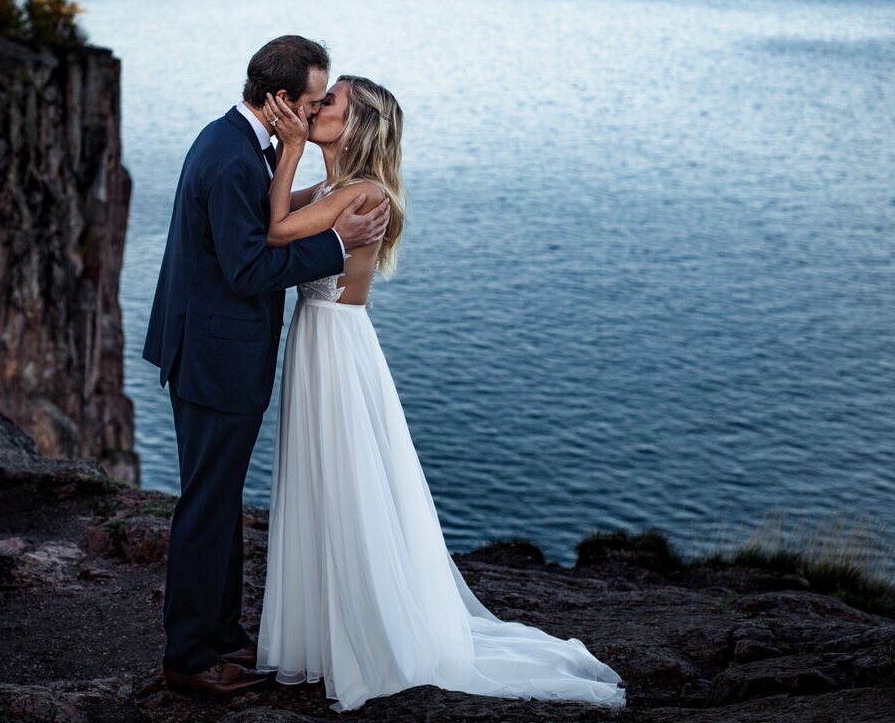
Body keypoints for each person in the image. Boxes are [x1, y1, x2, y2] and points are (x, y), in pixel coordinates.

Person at [254, 76, 627, 712]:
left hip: (335, 345)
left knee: (347, 482)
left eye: (330, 102)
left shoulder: (363, 192)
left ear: (359, 123)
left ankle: (370, 635)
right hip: (319, 339)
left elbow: (276, 230)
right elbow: (282, 212)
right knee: (323, 482)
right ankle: (332, 631)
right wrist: (300, 155)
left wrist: (288, 147)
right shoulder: (341, 187)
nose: (316, 107)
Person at [141, 36, 390, 698]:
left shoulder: (240, 144)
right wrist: (336, 245)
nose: (312, 115)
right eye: (311, 103)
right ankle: (190, 656)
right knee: (207, 505)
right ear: (281, 99)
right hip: (213, 359)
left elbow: (275, 217)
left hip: (212, 352)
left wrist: (314, 183)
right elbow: (249, 266)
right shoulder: (231, 159)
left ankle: (222, 635)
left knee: (219, 503)